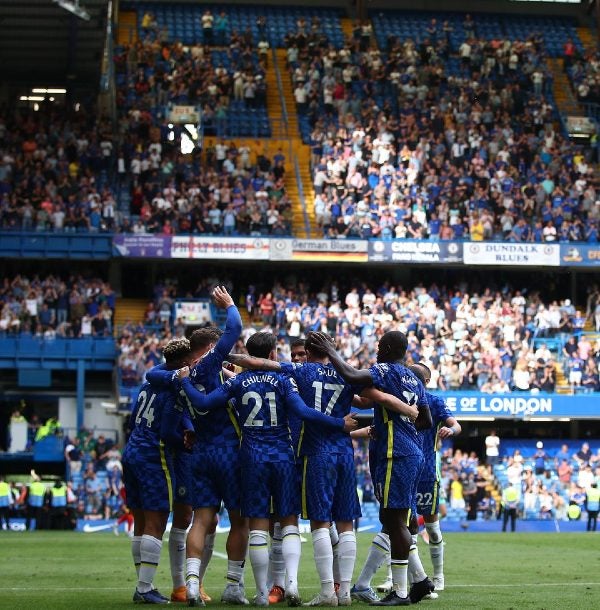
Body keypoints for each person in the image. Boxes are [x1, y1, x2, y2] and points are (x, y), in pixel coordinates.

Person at [229, 332, 417, 607]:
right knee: (345, 524)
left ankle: (328, 591)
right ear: (331, 348)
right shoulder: (345, 373)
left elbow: (262, 364)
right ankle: (344, 594)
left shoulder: (302, 371)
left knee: (319, 522)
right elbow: (368, 399)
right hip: (344, 453)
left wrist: (225, 357)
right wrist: (403, 405)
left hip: (315, 453)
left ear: (307, 350)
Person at [177, 332, 359, 607]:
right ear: (274, 354)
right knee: (289, 523)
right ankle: (293, 585)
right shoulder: (286, 381)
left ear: (250, 353)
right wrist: (338, 424)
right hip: (284, 455)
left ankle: (262, 593)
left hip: (251, 457)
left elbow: (203, 403)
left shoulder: (237, 381)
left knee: (259, 526)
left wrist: (185, 383)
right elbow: (304, 412)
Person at [309, 330, 434, 606]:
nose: (377, 350)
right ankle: (420, 580)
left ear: (388, 348)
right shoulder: (413, 376)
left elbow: (353, 376)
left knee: (393, 520)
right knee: (398, 518)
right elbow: (425, 420)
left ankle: (401, 592)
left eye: (379, 346)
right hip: (412, 451)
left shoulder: (385, 369)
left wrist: (331, 351)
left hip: (395, 454)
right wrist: (397, 423)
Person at [147, 287, 246, 606]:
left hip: (199, 452)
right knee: (239, 519)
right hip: (228, 451)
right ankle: (233, 585)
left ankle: (190, 585)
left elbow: (152, 375)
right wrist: (229, 305)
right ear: (211, 347)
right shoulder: (212, 361)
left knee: (201, 519)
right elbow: (236, 329)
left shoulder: (179, 376)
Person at [122, 337, 194, 604]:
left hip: (131, 452)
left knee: (140, 523)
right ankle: (144, 589)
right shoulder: (175, 389)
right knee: (156, 522)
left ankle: (143, 585)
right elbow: (166, 432)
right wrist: (186, 443)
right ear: (184, 361)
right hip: (154, 456)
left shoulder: (146, 384)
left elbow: (131, 420)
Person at [410, 363, 461, 595]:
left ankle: (439, 575)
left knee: (431, 525)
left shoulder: (435, 401)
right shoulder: (400, 399)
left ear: (426, 381)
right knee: (401, 525)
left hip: (428, 470)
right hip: (404, 468)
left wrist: (452, 430)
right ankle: (395, 576)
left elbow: (456, 424)